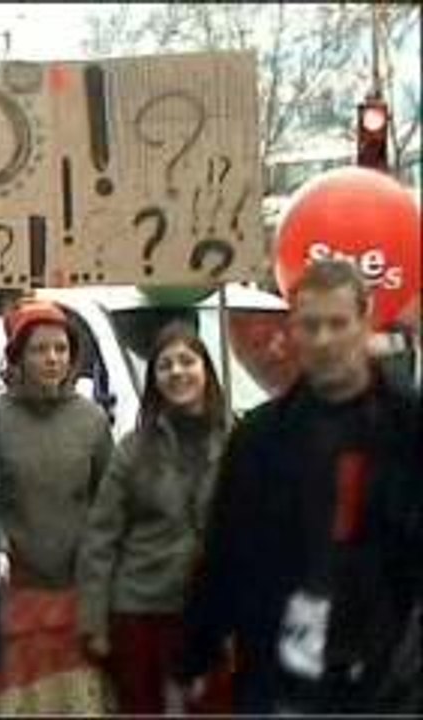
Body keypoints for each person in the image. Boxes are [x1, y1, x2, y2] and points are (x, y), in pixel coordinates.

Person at [175, 260, 422, 714]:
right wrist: (196, 653)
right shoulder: (261, 440)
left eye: (337, 323)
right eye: (311, 325)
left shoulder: (408, 429)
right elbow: (226, 551)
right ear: (293, 332)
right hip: (283, 673)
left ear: (364, 323)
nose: (325, 340)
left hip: (389, 673)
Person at [77, 321, 232, 714]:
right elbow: (101, 538)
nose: (177, 372)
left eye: (187, 361)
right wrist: (94, 622)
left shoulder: (237, 442)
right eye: (165, 365)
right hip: (140, 610)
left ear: (206, 370)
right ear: (155, 379)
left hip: (211, 610)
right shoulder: (133, 449)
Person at [0, 299, 116, 714]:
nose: (52, 359)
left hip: (76, 596)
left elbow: (107, 502)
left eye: (61, 349)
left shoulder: (91, 421)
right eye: (40, 349)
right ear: (17, 357)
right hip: (14, 599)